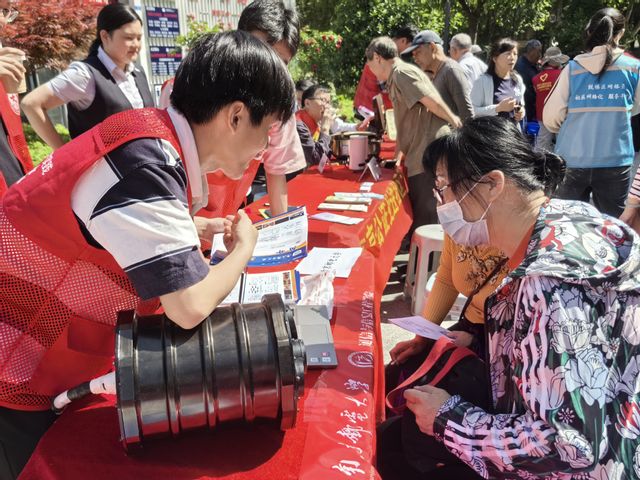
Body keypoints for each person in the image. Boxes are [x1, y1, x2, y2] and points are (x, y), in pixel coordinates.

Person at [0, 31, 295, 479]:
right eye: (267, 130)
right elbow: (189, 307)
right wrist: (245, 250)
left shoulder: (150, 138)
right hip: (19, 364)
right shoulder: (145, 164)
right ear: (236, 116)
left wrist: (187, 228)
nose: (265, 149)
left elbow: (102, 225)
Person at [382, 115, 640, 478]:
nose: (443, 204)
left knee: (397, 451)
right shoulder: (573, 218)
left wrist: (449, 418)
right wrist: (485, 339)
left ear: (492, 185)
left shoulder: (550, 281)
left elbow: (567, 444)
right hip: (621, 439)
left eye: (445, 187)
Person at [545, 8, 640, 219]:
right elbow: (636, 108)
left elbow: (551, 118)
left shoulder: (572, 68)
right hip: (615, 161)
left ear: (590, 31)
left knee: (566, 226)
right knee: (613, 228)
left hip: (572, 159)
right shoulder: (634, 68)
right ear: (621, 33)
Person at [21, 4, 154, 147]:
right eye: (128, 38)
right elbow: (31, 104)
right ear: (105, 36)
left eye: (139, 38)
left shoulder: (138, 72)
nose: (136, 45)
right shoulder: (84, 74)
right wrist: (63, 152)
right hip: (102, 167)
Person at [365, 36, 461, 234]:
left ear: (377, 58)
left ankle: (423, 263)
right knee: (421, 211)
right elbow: (406, 120)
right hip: (419, 150)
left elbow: (431, 101)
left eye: (370, 65)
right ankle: (418, 259)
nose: (371, 71)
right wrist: (397, 155)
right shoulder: (396, 77)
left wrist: (454, 120)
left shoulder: (401, 73)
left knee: (426, 217)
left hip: (428, 150)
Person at [0, 0, 32, 196]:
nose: (2, 21)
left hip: (13, 198)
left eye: (4, 11)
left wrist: (10, 93)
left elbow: (14, 139)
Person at [405, 30, 473, 121]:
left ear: (432, 47)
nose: (415, 60)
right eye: (413, 55)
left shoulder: (451, 70)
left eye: (417, 53)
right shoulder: (434, 73)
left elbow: (467, 114)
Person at [471, 38, 525, 124]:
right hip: (490, 134)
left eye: (515, 54)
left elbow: (521, 104)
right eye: (508, 53)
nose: (512, 58)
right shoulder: (482, 81)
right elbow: (472, 111)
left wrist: (521, 112)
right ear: (495, 58)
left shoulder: (518, 79)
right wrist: (498, 108)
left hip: (512, 133)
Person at [531, 46, 568, 151]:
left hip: (542, 116)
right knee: (561, 144)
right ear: (555, 62)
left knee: (542, 144)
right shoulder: (562, 75)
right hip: (560, 115)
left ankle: (539, 165)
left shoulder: (535, 78)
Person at [295, 84, 332, 165]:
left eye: (328, 102)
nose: (327, 106)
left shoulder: (316, 123)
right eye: (323, 100)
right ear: (307, 103)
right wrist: (325, 129)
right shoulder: (298, 125)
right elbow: (317, 159)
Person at [515, 39, 542, 121]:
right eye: (539, 51)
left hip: (530, 109)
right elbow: (526, 90)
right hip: (525, 109)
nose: (540, 55)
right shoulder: (521, 66)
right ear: (532, 51)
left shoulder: (532, 65)